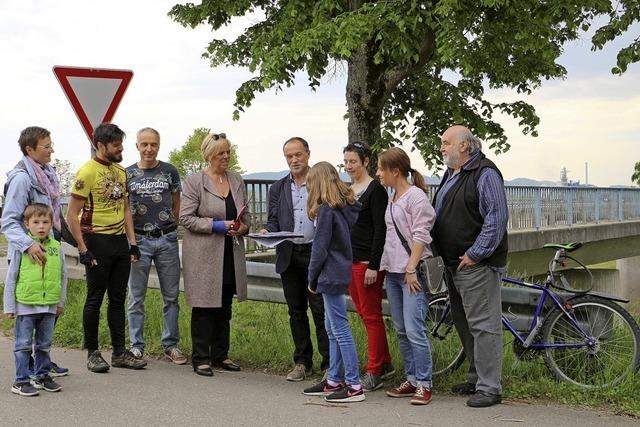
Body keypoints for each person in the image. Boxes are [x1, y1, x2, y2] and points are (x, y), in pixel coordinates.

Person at [431, 125, 508, 408]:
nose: (442, 147)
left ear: (464, 146)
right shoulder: (452, 173)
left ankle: (490, 388)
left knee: (484, 325)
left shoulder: (484, 173)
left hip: (475, 264)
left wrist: (475, 254)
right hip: (453, 264)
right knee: (464, 323)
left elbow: (497, 217)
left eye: (445, 142)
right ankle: (476, 379)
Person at [66, 123, 147, 373]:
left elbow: (125, 208)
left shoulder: (122, 172)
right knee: (94, 299)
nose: (121, 148)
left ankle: (120, 353)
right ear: (101, 146)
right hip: (96, 241)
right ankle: (92, 353)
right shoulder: (87, 172)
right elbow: (71, 214)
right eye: (115, 145)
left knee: (118, 299)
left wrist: (132, 243)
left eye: (121, 144)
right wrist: (82, 248)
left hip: (119, 241)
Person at [1, 126, 69, 377]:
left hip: (47, 250)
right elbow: (9, 221)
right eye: (46, 146)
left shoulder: (47, 174)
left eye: (51, 145)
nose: (52, 150)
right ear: (30, 149)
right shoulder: (22, 178)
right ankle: (27, 367)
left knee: (45, 315)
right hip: (28, 254)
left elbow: (53, 215)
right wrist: (28, 244)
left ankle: (41, 362)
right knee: (30, 318)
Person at [180, 132, 249, 377]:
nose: (226, 156)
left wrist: (243, 227)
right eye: (221, 153)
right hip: (203, 254)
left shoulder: (237, 180)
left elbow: (244, 214)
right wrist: (215, 225)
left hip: (230, 251)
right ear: (209, 155)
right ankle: (200, 357)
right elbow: (186, 218)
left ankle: (221, 354)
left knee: (224, 306)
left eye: (228, 152)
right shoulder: (194, 181)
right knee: (204, 305)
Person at [261, 137, 329, 382]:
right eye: (289, 156)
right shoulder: (277, 188)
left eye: (298, 154)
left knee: (321, 311)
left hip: (315, 255)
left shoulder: (321, 183)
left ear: (308, 154)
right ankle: (302, 362)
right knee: (296, 312)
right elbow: (273, 220)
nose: (294, 160)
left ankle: (329, 364)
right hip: (289, 255)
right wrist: (268, 232)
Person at [301, 162, 364, 402]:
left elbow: (320, 247)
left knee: (339, 328)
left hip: (329, 273)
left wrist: (312, 276)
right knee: (331, 327)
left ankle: (354, 385)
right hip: (339, 270)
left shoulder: (327, 209)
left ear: (317, 183)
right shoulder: (341, 207)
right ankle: (334, 379)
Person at [377, 147, 435, 406]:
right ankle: (411, 378)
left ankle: (424, 383)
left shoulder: (416, 197)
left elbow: (421, 235)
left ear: (395, 171)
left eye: (381, 169)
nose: (378, 174)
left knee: (414, 330)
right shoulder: (393, 197)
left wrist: (411, 268)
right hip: (393, 272)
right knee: (401, 330)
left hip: (410, 273)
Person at [125, 127, 186, 364]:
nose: (149, 149)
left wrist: (172, 225)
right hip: (138, 240)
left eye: (154, 144)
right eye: (144, 144)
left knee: (171, 296)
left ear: (159, 146)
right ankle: (136, 345)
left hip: (167, 239)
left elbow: (177, 202)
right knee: (136, 296)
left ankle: (170, 345)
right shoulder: (127, 174)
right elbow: (124, 208)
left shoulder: (169, 171)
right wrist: (131, 241)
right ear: (137, 146)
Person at [342, 142, 395, 391]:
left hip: (367, 263)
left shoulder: (376, 191)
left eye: (353, 161)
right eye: (346, 161)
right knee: (364, 314)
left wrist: (374, 265)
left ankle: (374, 372)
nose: (349, 166)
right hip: (351, 260)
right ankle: (384, 362)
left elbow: (380, 229)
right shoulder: (349, 190)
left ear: (365, 162)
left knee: (372, 316)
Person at [3, 203, 67, 396]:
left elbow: (63, 276)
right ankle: (21, 381)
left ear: (51, 224)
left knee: (44, 344)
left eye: (45, 222)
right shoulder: (20, 247)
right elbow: (12, 276)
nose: (41, 226)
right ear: (26, 224)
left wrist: (60, 302)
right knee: (22, 344)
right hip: (26, 305)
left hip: (48, 306)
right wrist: (9, 305)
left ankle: (42, 376)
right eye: (36, 222)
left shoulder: (56, 247)